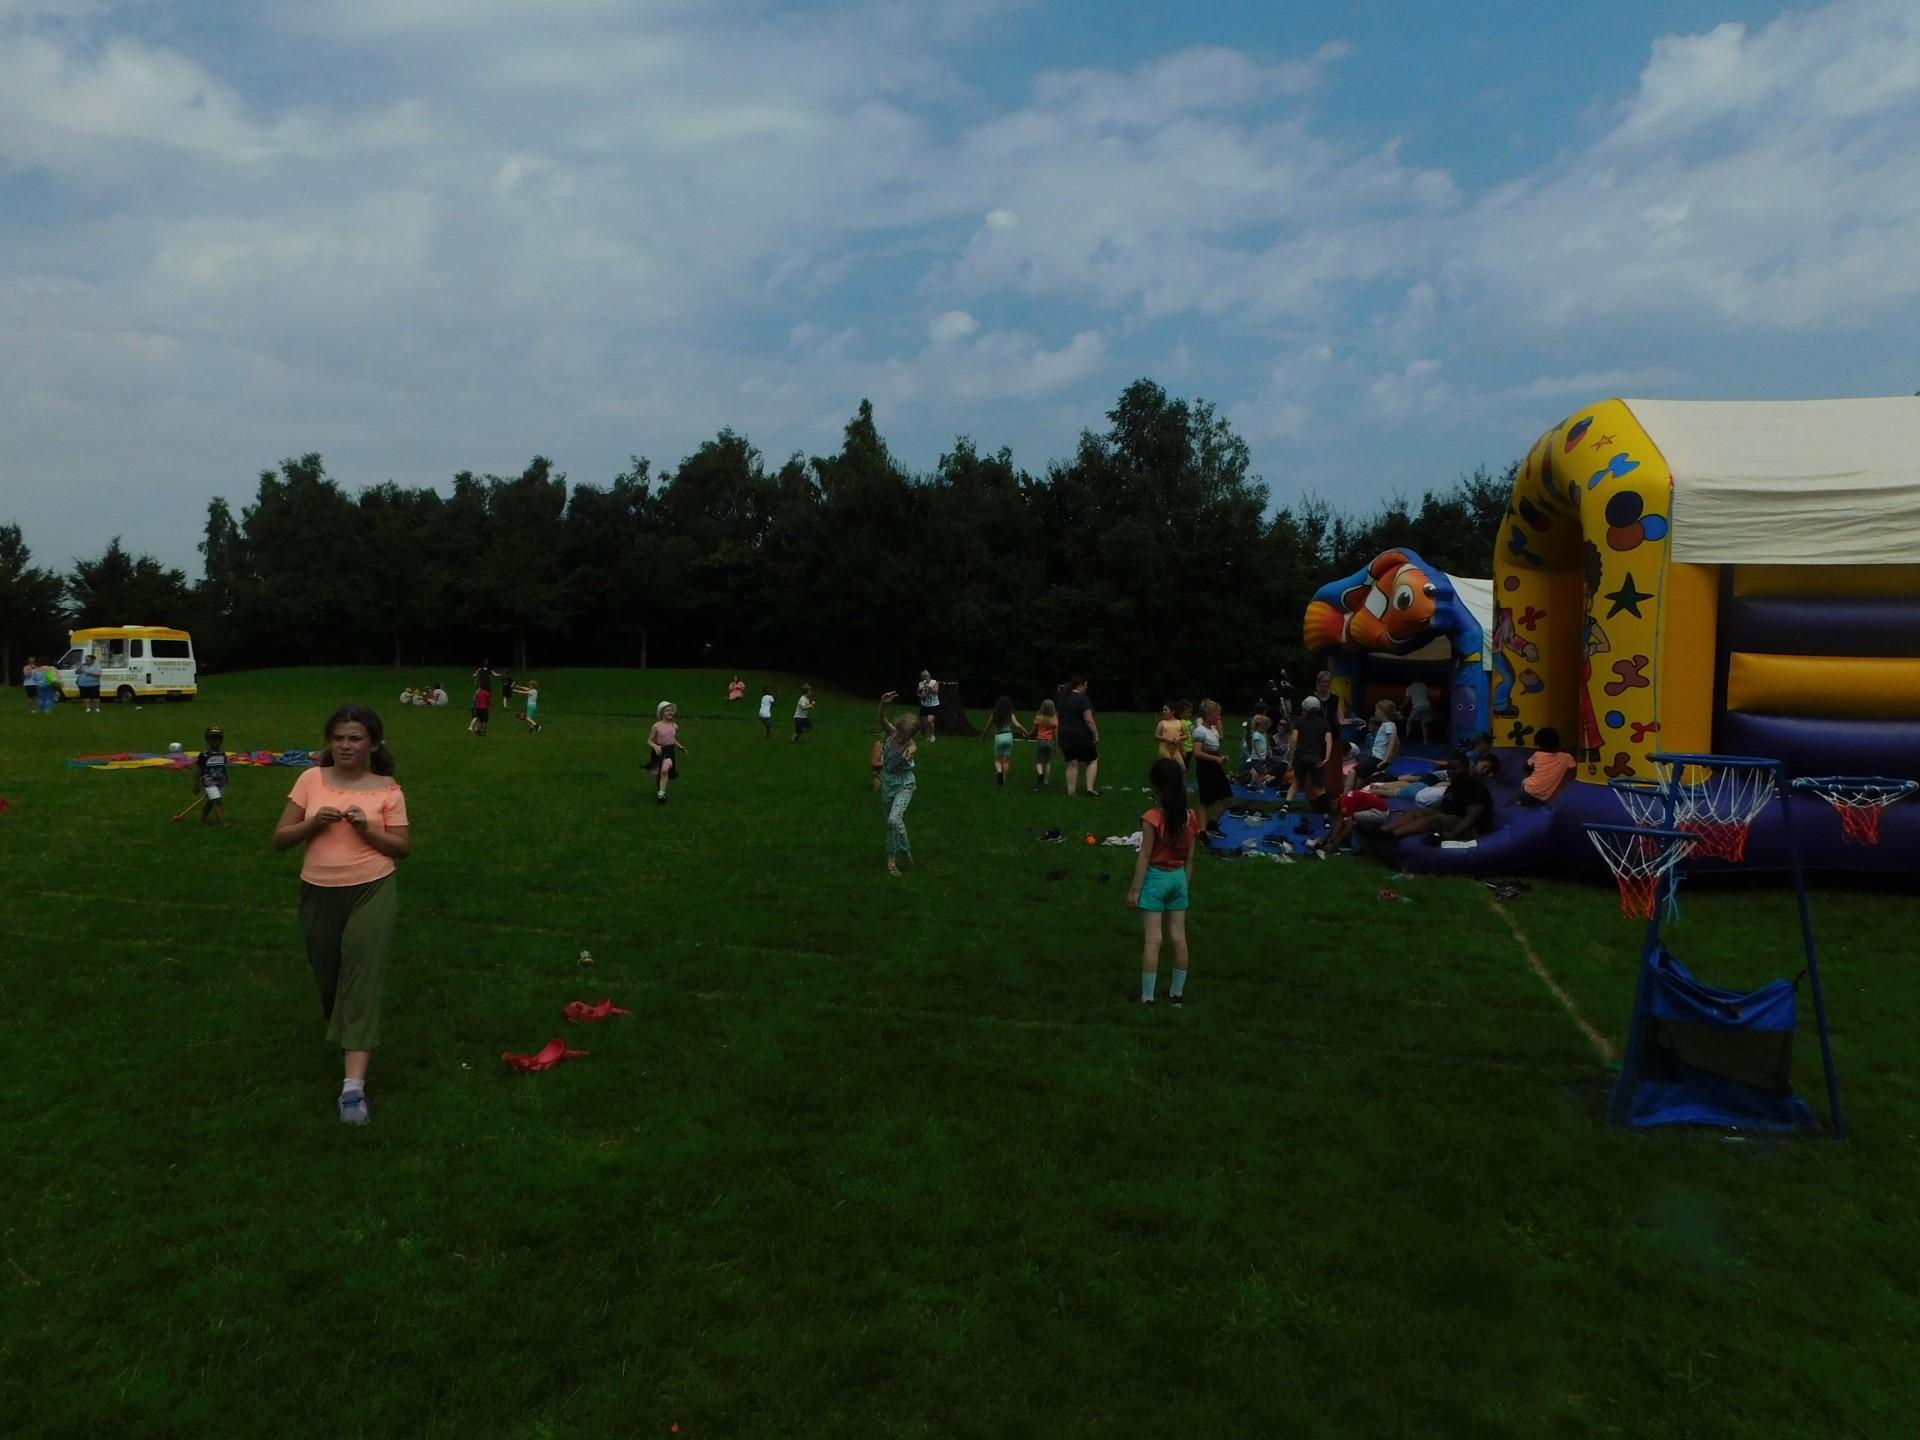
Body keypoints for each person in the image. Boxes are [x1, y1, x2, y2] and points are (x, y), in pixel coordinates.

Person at [271, 704, 410, 1126]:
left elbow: (402, 848)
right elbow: (280, 838)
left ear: (373, 744)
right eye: (338, 738)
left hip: (372, 888)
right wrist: (313, 823)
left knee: (362, 979)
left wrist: (367, 829)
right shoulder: (310, 779)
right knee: (330, 977)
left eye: (355, 738)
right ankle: (349, 1026)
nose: (345, 745)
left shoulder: (387, 790)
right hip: (318, 891)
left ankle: (353, 1088)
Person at [1126, 757, 1206, 1006]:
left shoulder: (1152, 817)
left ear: (1157, 787)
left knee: (1153, 940)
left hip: (1155, 880)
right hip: (1178, 879)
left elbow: (1145, 855)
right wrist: (1185, 883)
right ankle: (1176, 994)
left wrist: (1135, 890)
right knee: (1179, 938)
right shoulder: (1191, 817)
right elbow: (1190, 857)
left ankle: (1148, 997)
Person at [1381, 752, 1492, 841]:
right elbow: (1445, 807)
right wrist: (1423, 813)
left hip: (1471, 828)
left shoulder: (1474, 786)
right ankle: (1382, 831)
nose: (1450, 772)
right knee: (1417, 812)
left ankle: (1391, 835)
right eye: (1449, 769)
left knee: (1437, 819)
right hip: (1454, 817)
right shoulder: (1454, 785)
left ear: (1466, 769)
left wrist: (1452, 835)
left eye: (1455, 769)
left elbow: (1473, 816)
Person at [876, 691, 919, 874]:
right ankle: (893, 858)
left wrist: (909, 753)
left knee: (895, 819)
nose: (902, 739)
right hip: (887, 783)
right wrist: (883, 703)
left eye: (906, 737)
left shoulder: (910, 744)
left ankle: (903, 851)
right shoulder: (892, 733)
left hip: (904, 784)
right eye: (901, 735)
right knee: (891, 823)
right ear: (898, 729)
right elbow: (881, 719)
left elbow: (913, 748)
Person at [1287, 696, 1333, 834]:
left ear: (1304, 709)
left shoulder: (1299, 721)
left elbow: (1294, 740)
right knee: (1320, 789)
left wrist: (1291, 759)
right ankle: (1326, 817)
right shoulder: (1324, 723)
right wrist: (1327, 757)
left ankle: (1286, 804)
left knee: (1296, 781)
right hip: (1316, 758)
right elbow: (1329, 741)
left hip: (1302, 757)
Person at [1191, 700, 1233, 836]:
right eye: (1217, 715)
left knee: (1227, 797)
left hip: (1216, 768)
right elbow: (1197, 752)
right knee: (1205, 802)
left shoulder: (1213, 730)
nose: (1219, 717)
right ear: (1209, 716)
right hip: (1205, 769)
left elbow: (1213, 750)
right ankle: (1202, 833)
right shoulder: (1200, 731)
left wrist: (1221, 757)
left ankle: (1212, 823)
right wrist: (1215, 759)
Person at [1059, 676, 1101, 796]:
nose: (1087, 687)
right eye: (1086, 684)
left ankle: (1071, 791)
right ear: (1080, 684)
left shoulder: (1063, 698)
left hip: (1065, 734)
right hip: (1081, 735)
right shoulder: (1083, 699)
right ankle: (1090, 788)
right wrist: (1095, 734)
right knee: (1092, 760)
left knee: (1072, 763)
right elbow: (1088, 719)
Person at [1350, 700, 1402, 789]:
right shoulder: (1386, 725)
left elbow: (1392, 741)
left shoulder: (1388, 725)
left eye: (1377, 710)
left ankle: (1346, 794)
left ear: (1383, 712)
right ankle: (1356, 791)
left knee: (1353, 772)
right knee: (1361, 775)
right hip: (1376, 756)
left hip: (1378, 758)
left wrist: (1386, 759)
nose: (1375, 712)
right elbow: (1397, 742)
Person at [1520, 727, 1577, 805]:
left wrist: (1533, 773)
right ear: (1558, 742)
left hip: (1529, 793)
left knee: (1524, 782)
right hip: (1547, 798)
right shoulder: (1567, 757)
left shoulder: (1537, 755)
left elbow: (1526, 767)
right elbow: (1575, 772)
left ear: (1539, 745)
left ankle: (1523, 801)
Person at [981, 695, 1028, 786]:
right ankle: (1004, 778)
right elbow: (1017, 725)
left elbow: (988, 726)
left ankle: (999, 771)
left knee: (997, 760)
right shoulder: (1010, 715)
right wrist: (1026, 732)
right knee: (1006, 760)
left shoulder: (994, 715)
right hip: (1008, 736)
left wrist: (983, 736)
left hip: (999, 736)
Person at [647, 701, 686, 804]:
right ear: (661, 713)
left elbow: (672, 739)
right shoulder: (656, 726)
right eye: (667, 711)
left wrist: (680, 747)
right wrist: (656, 746)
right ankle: (661, 791)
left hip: (669, 751)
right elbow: (649, 740)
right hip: (659, 751)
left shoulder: (674, 726)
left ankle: (661, 793)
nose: (670, 712)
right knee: (660, 772)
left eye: (671, 710)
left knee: (665, 770)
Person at [194, 724, 231, 827]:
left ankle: (203, 819)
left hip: (220, 782)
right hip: (209, 782)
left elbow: (223, 767)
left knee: (211, 801)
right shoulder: (204, 755)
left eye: (218, 738)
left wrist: (226, 778)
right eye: (213, 738)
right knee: (217, 801)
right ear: (207, 740)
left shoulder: (222, 754)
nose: (216, 741)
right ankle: (223, 823)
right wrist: (196, 784)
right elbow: (199, 769)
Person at [1031, 698, 1059, 790]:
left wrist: (1027, 735)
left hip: (1040, 741)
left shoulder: (1039, 717)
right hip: (1049, 742)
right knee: (1047, 762)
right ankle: (1046, 780)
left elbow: (1034, 730)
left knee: (1039, 761)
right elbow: (1055, 734)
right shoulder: (1054, 719)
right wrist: (1056, 746)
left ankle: (1040, 773)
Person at [1405, 679, 1435, 744]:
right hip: (1427, 706)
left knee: (1409, 722)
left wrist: (1401, 706)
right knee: (1424, 724)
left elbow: (1407, 699)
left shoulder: (1409, 688)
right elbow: (1430, 696)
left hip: (1417, 707)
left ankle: (1407, 738)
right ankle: (1425, 742)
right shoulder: (1424, 685)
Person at [915, 670, 941, 743]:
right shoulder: (921, 684)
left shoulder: (934, 682)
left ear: (929, 676)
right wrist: (921, 695)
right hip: (924, 705)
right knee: (924, 723)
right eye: (923, 677)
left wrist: (929, 687)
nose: (925, 678)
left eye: (926, 676)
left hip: (933, 705)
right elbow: (917, 693)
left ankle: (932, 735)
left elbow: (936, 692)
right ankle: (928, 736)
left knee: (929, 721)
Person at [1177, 700, 1196, 777]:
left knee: (1186, 768)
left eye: (1190, 712)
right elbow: (1180, 737)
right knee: (1182, 768)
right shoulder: (1180, 723)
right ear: (1181, 713)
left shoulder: (1189, 722)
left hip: (1190, 749)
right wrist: (1182, 749)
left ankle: (1183, 782)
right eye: (1187, 712)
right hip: (1184, 749)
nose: (1190, 714)